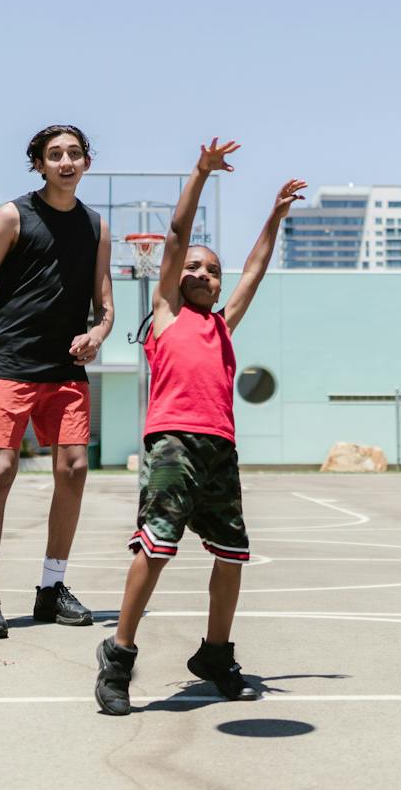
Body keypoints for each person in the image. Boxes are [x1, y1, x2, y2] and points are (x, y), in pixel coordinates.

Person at [94, 140, 306, 716]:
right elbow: (177, 237)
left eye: (212, 271)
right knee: (157, 547)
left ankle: (215, 653)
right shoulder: (165, 312)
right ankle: (118, 654)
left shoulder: (224, 324)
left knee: (233, 553)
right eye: (195, 267)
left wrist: (274, 217)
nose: (203, 273)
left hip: (220, 447)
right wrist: (200, 174)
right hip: (172, 442)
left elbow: (256, 270)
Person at [0, 125, 114, 639]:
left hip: (65, 369)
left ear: (87, 161)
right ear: (39, 165)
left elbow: (105, 307)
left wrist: (98, 332)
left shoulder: (95, 227)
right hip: (10, 363)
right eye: (54, 155)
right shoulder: (12, 216)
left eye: (74, 154)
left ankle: (52, 587)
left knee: (74, 469)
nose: (65, 162)